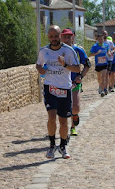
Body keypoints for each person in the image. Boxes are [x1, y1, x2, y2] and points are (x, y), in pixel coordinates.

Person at [36, 25, 80, 159]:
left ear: (60, 36)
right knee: (51, 117)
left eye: (56, 36)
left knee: (63, 120)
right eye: (51, 37)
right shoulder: (44, 51)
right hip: (50, 87)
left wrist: (65, 65)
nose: (54, 39)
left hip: (64, 88)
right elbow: (38, 64)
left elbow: (77, 68)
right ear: (48, 37)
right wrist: (40, 69)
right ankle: (51, 145)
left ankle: (62, 146)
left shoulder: (68, 51)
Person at [60, 29, 91, 137]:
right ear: (61, 37)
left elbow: (87, 65)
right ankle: (64, 128)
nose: (67, 39)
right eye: (64, 37)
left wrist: (81, 76)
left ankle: (73, 122)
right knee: (62, 108)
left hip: (74, 82)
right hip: (60, 83)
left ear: (72, 37)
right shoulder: (56, 50)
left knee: (75, 107)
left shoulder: (78, 50)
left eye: (69, 37)